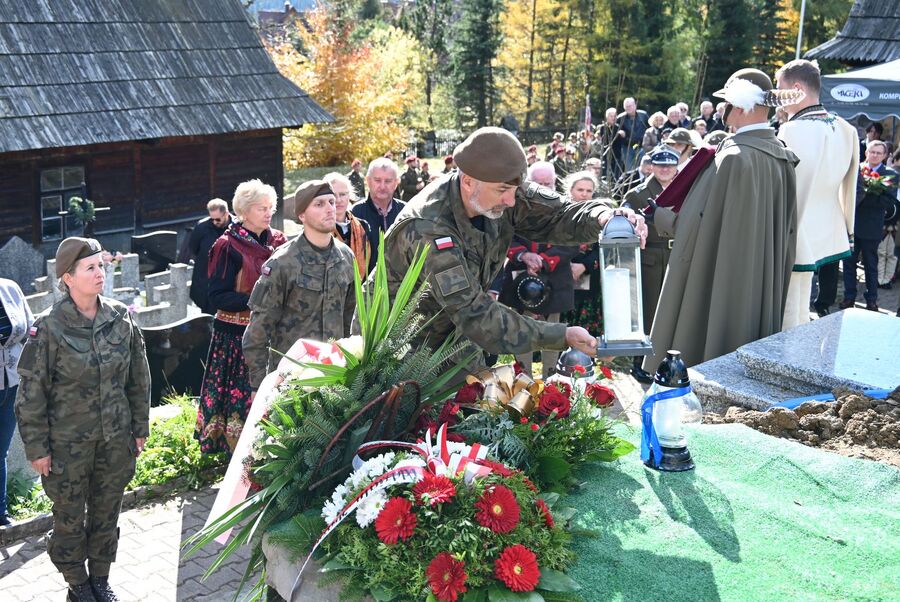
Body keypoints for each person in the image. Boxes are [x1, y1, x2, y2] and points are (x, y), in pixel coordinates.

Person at [373, 127, 647, 366]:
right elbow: (475, 314)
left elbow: (561, 213)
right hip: (402, 354)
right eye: (502, 191)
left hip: (457, 345)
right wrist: (561, 335)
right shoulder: (429, 228)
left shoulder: (502, 188)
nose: (512, 202)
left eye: (514, 191)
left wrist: (605, 216)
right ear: (468, 181)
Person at [15, 237, 150, 602]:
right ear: (68, 278)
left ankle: (101, 579)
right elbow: (31, 393)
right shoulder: (49, 327)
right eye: (89, 268)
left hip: (115, 439)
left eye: (101, 266)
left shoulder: (120, 316)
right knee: (70, 517)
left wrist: (140, 427)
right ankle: (77, 583)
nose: (99, 273)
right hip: (67, 445)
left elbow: (139, 377)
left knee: (107, 512)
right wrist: (37, 448)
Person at [641, 68, 799, 370]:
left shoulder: (734, 157)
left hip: (722, 277)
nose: (724, 112)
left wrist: (661, 216)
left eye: (727, 104)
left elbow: (701, 225)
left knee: (708, 356)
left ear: (740, 107)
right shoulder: (782, 158)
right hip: (760, 277)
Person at [196, 180, 287, 454]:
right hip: (236, 338)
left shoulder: (280, 242)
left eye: (271, 207)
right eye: (262, 208)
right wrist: (258, 301)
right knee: (241, 398)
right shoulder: (227, 245)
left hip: (272, 333)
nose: (268, 213)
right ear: (244, 212)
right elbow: (217, 296)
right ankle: (238, 455)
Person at [243, 180, 356, 396]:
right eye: (319, 204)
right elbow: (258, 331)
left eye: (332, 202)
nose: (330, 208)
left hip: (337, 376)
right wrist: (258, 386)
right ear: (302, 215)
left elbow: (351, 320)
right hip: (292, 380)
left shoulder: (345, 257)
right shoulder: (283, 263)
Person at [774, 59, 859, 327]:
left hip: (795, 228)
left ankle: (785, 362)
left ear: (797, 89)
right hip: (828, 226)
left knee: (790, 311)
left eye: (780, 90)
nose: (778, 99)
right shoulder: (847, 128)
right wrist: (847, 226)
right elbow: (850, 188)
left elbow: (788, 186)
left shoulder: (793, 129)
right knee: (800, 309)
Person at [499, 164, 580, 378]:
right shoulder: (513, 207)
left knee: (553, 328)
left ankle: (551, 379)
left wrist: (543, 260)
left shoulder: (566, 208)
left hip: (556, 277)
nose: (545, 188)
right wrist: (524, 256)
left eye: (549, 183)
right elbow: (504, 237)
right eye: (539, 184)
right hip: (521, 276)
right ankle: (523, 379)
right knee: (521, 327)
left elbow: (573, 242)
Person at [622, 147, 679, 382]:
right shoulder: (639, 193)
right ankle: (642, 363)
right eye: (660, 165)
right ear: (651, 167)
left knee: (674, 309)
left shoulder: (684, 188)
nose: (665, 169)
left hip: (676, 256)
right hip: (651, 257)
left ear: (676, 167)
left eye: (669, 165)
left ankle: (671, 361)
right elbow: (625, 213)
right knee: (648, 312)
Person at [840, 140, 898, 311]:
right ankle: (849, 297)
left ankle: (871, 299)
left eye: (879, 153)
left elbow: (889, 202)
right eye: (872, 152)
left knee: (871, 264)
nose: (875, 155)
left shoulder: (890, 174)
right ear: (866, 153)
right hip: (852, 223)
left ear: (885, 155)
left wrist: (865, 196)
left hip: (872, 226)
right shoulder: (856, 169)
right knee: (849, 264)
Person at [1, 277, 33, 526]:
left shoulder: (10, 288)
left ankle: (0, 515)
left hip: (12, 383)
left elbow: (30, 331)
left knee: (1, 450)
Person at [351, 157, 405, 271]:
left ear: (396, 183)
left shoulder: (406, 211)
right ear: (368, 181)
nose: (382, 186)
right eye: (377, 180)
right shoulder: (355, 213)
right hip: (367, 285)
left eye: (388, 181)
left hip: (402, 284)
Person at [187, 198, 232, 314]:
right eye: (211, 219)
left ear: (226, 214)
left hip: (228, 279)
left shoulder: (237, 227)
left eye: (217, 219)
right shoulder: (202, 227)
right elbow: (193, 248)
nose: (214, 222)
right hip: (206, 279)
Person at [325, 171, 372, 277]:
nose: (338, 200)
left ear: (349, 195)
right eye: (333, 195)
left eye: (342, 194)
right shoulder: (319, 229)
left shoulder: (363, 226)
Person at [615, 97, 649, 172]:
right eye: (626, 106)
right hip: (627, 147)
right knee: (629, 170)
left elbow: (650, 128)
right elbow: (615, 131)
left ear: (635, 105)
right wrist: (620, 133)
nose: (628, 108)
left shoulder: (643, 115)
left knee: (643, 168)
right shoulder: (620, 118)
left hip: (641, 146)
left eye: (630, 106)